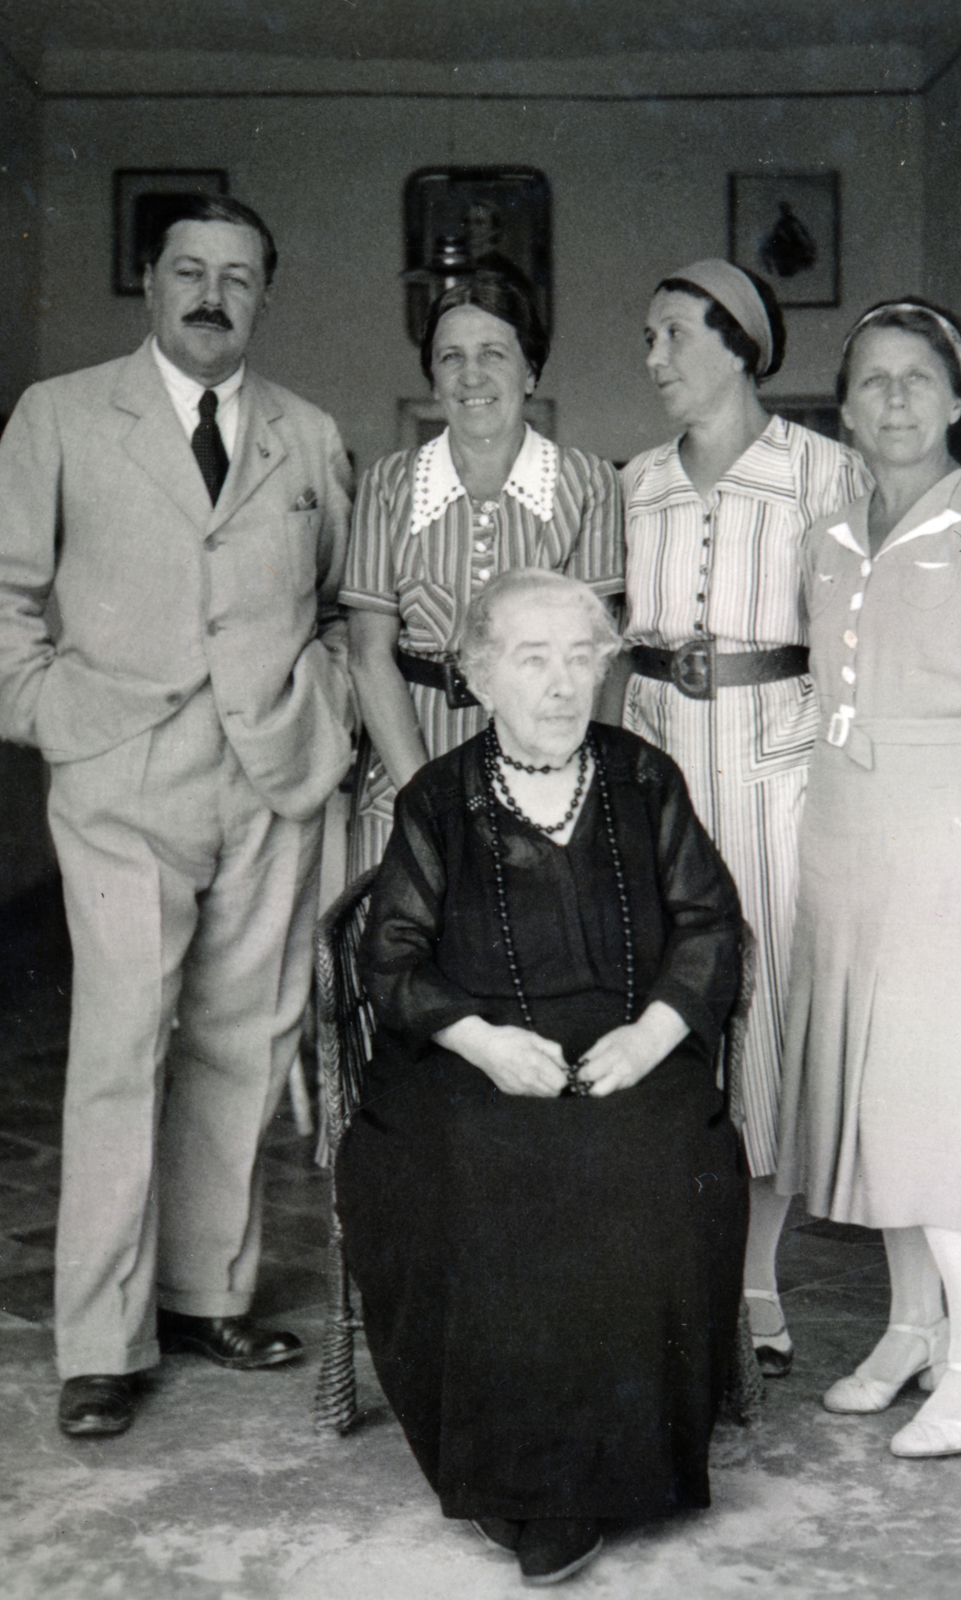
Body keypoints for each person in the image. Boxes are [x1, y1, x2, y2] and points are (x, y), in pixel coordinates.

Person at [0, 195, 355, 1438]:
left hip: (269, 778)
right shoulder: (64, 417)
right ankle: (101, 1339)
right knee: (124, 1044)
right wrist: (56, 713)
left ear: (264, 296)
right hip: (123, 779)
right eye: (189, 269)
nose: (211, 293)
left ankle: (203, 1290)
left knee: (246, 1039)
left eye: (237, 275)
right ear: (150, 285)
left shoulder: (309, 433)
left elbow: (343, 608)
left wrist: (315, 714)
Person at [336, 569, 748, 1587]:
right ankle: (524, 1483)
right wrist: (480, 1040)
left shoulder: (645, 778)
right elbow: (390, 957)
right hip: (467, 1055)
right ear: (478, 677)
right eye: (532, 659)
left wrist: (655, 1033)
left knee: (647, 1151)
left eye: (580, 657)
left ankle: (613, 1470)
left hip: (627, 1042)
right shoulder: (439, 798)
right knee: (482, 1161)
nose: (561, 684)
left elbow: (707, 924)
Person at [774, 300, 961, 1457]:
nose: (894, 397)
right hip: (841, 828)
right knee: (868, 1082)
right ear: (844, 406)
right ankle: (911, 1325)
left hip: (948, 821)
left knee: (931, 1088)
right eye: (871, 380)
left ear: (956, 400)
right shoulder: (830, 530)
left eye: (918, 378)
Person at [619, 259, 871, 1376]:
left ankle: (757, 1284)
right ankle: (671, 1269)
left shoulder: (824, 472)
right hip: (663, 771)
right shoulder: (634, 483)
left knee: (761, 1019)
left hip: (776, 774)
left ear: (738, 342)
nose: (654, 358)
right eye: (650, 337)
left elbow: (855, 645)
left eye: (673, 333)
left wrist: (821, 757)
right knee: (667, 1008)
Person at [341, 272, 622, 875]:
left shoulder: (588, 484)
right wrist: (434, 803)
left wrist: (554, 791)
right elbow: (369, 657)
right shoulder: (388, 485)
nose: (472, 376)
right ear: (434, 379)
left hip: (547, 775)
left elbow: (597, 664)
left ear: (531, 372)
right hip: (406, 774)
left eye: (494, 354)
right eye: (451, 357)